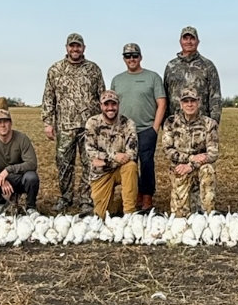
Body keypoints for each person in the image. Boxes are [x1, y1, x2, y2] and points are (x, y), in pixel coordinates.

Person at [41, 32, 105, 214]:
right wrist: (48, 122)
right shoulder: (55, 70)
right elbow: (48, 97)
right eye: (72, 46)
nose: (75, 49)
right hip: (64, 126)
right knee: (64, 163)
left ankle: (86, 199)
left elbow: (102, 96)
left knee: (90, 163)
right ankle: (65, 197)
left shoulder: (93, 69)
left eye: (78, 46)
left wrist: (102, 123)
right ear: (67, 48)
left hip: (89, 127)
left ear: (84, 48)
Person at [110, 42, 167, 210]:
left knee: (147, 164)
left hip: (146, 129)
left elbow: (162, 103)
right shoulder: (117, 80)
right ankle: (134, 196)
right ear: (124, 59)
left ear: (140, 57)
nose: (131, 59)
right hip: (125, 133)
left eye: (135, 56)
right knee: (129, 165)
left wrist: (155, 128)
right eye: (128, 56)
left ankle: (147, 197)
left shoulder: (152, 77)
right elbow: (112, 105)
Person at [162, 88, 219, 217]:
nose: (189, 104)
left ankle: (208, 215)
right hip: (179, 168)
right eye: (186, 101)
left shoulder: (209, 124)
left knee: (208, 169)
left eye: (192, 101)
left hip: (200, 167)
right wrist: (191, 158)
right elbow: (167, 150)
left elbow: (213, 153)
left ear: (198, 102)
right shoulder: (170, 122)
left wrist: (191, 165)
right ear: (181, 104)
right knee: (179, 216)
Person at [84, 90, 139, 219]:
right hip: (101, 173)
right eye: (106, 104)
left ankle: (130, 213)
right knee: (101, 215)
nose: (110, 108)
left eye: (113, 104)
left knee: (131, 166)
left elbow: (132, 153)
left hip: (120, 169)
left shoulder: (128, 124)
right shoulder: (92, 123)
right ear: (101, 106)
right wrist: (114, 157)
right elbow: (90, 152)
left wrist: (103, 159)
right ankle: (116, 206)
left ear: (118, 105)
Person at [163, 25, 222, 124]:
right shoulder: (171, 66)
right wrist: (166, 123)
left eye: (192, 38)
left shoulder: (208, 66)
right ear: (180, 41)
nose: (188, 42)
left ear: (198, 42)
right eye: (185, 38)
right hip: (176, 125)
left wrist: (214, 123)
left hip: (202, 126)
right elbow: (165, 96)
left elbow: (215, 97)